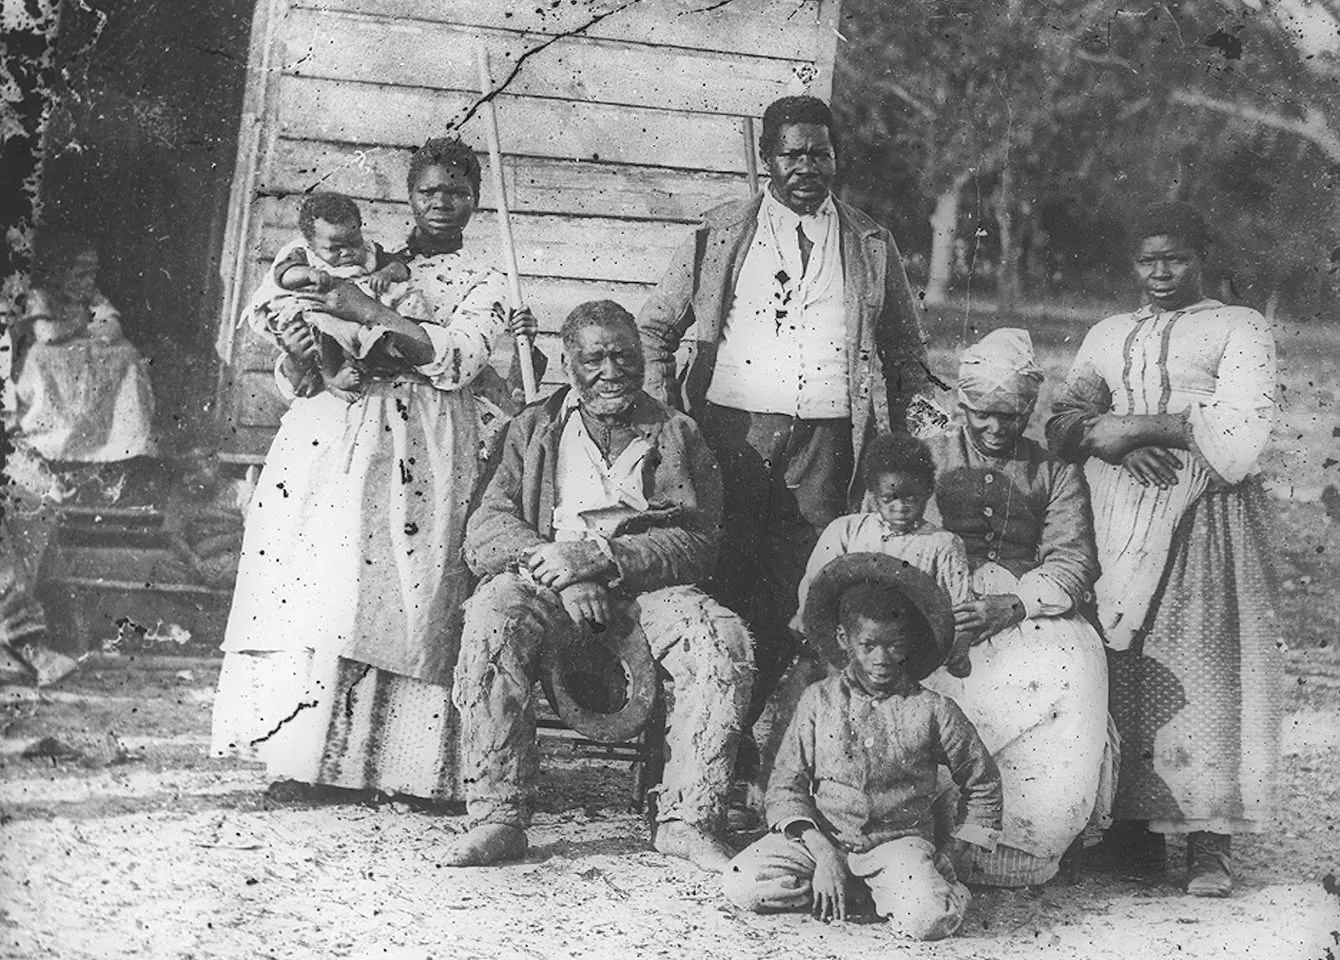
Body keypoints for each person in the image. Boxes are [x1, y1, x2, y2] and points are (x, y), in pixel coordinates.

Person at [210, 136, 534, 805]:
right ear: (410, 195)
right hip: (336, 428)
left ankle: (406, 770)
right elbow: (299, 358)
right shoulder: (363, 255)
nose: (442, 203)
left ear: (475, 198)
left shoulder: (488, 279)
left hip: (425, 439)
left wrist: (365, 312)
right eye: (428, 191)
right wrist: (303, 348)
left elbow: (457, 359)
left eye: (457, 192)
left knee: (411, 596)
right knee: (324, 582)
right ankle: (306, 762)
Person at [636, 95, 931, 717]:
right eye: (791, 153)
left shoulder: (871, 241)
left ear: (836, 159)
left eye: (819, 153)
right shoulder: (719, 233)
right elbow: (654, 332)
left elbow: (906, 352)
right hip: (730, 435)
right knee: (717, 578)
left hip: (825, 445)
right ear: (767, 158)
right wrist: (669, 420)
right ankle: (680, 742)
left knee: (796, 591)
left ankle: (738, 735)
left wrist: (899, 439)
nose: (806, 167)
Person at [446, 300, 754, 873]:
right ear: (569, 362)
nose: (611, 372)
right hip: (545, 583)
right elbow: (486, 530)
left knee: (719, 638)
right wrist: (555, 565)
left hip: (641, 589)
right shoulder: (534, 427)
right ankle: (498, 814)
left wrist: (599, 559)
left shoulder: (676, 432)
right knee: (493, 614)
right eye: (594, 359)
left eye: (625, 357)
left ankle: (690, 818)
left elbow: (698, 541)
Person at [1046, 201, 1282, 897]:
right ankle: (1131, 833)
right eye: (1148, 260)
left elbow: (1243, 422)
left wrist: (1141, 430)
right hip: (1115, 511)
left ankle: (1209, 844)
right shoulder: (1108, 332)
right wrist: (1110, 438)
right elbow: (1064, 419)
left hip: (1204, 508)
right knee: (1126, 665)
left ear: (1202, 258)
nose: (1160, 272)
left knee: (1204, 663)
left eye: (1175, 258)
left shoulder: (1238, 325)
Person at [722, 554, 1001, 941]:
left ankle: (909, 891)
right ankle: (852, 887)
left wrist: (956, 852)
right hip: (824, 840)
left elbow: (983, 781)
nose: (881, 659)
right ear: (844, 640)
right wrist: (822, 854)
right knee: (744, 884)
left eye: (894, 645)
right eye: (868, 644)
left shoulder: (932, 709)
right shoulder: (818, 700)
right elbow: (786, 784)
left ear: (910, 644)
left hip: (897, 846)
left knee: (928, 920)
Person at [919, 328, 1111, 888]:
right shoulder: (929, 457)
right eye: (983, 414)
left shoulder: (1054, 470)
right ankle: (922, 829)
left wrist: (1012, 605)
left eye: (1012, 415)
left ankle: (1022, 845)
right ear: (961, 403)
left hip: (1028, 607)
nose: (997, 428)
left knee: (1073, 667)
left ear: (1031, 407)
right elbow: (898, 535)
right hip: (938, 596)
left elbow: (1073, 562)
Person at [794, 431, 972, 678]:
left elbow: (961, 606)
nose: (900, 507)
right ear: (873, 492)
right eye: (889, 498)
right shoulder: (845, 530)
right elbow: (815, 585)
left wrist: (960, 649)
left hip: (908, 651)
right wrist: (809, 626)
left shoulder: (943, 544)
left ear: (928, 491)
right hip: (851, 648)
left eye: (911, 498)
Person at [7, 230, 155, 477]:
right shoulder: (43, 297)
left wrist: (85, 329)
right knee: (42, 357)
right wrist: (82, 326)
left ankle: (114, 439)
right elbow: (47, 334)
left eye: (93, 274)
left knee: (127, 354)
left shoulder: (92, 298)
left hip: (81, 359)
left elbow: (113, 326)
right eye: (82, 274)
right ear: (60, 273)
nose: (89, 281)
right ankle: (54, 435)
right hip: (50, 360)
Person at [247, 191, 411, 401]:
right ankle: (330, 377)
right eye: (334, 248)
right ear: (311, 244)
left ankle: (358, 368)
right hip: (320, 310)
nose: (347, 252)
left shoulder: (371, 252)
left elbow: (401, 268)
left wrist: (384, 273)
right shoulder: (304, 254)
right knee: (321, 331)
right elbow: (283, 274)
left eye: (354, 242)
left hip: (359, 312)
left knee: (375, 338)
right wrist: (309, 274)